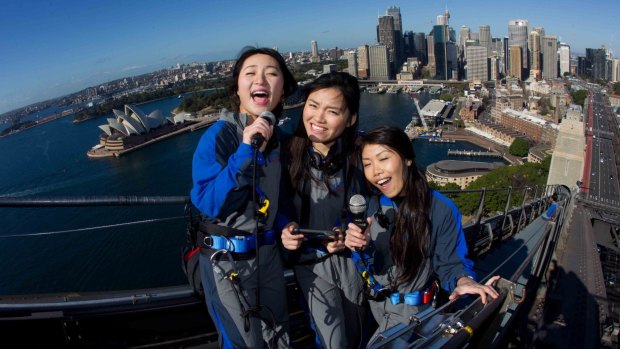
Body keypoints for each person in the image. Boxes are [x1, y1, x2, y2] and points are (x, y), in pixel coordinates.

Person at [344, 126, 500, 342]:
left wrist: (464, 281)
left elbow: (450, 262)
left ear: (407, 158)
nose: (375, 171)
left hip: (410, 312)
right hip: (372, 305)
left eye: (383, 159)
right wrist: (360, 245)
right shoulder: (372, 204)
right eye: (367, 164)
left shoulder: (439, 208)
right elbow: (369, 263)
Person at [190, 47, 297, 348]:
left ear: (282, 90)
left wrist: (286, 225)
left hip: (268, 256)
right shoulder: (220, 136)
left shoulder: (278, 141)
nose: (260, 79)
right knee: (242, 342)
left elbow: (279, 200)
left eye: (272, 73)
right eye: (250, 73)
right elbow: (209, 202)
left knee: (280, 336)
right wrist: (247, 150)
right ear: (236, 87)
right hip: (227, 262)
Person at [280, 72, 369, 348]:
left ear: (351, 118)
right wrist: (284, 230)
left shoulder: (363, 155)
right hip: (312, 265)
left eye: (332, 111)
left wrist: (358, 229)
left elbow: (385, 201)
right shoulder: (286, 154)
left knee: (360, 333)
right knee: (334, 342)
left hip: (356, 263)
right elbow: (273, 207)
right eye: (313, 105)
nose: (318, 118)